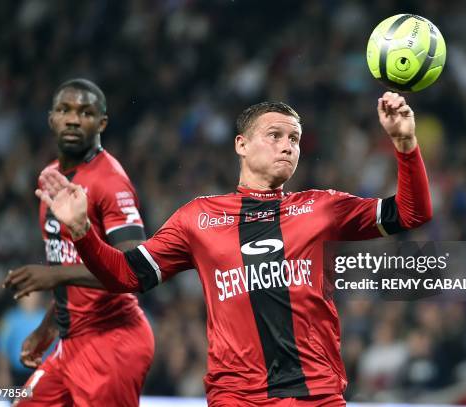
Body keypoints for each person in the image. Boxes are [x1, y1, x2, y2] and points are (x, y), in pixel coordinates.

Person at [37, 92, 432, 406]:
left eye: (294, 139)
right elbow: (126, 275)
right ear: (241, 145)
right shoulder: (197, 218)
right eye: (274, 136)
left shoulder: (321, 206)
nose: (287, 146)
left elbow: (411, 214)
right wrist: (84, 233)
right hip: (236, 398)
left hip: (315, 394)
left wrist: (405, 145)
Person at [3, 79, 154, 406]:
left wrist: (54, 277)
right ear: (51, 118)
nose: (73, 119)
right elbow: (67, 260)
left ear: (101, 123)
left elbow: (134, 270)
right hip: (71, 343)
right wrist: (49, 325)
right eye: (65, 110)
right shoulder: (51, 179)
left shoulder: (110, 181)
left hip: (112, 342)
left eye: (85, 112)